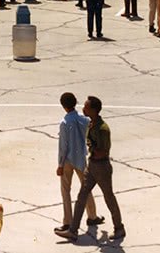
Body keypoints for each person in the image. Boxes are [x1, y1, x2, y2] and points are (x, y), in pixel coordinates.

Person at [55, 96, 125, 240]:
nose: (83, 108)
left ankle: (119, 228)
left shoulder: (102, 128)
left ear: (93, 110)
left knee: (108, 197)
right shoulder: (89, 122)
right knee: (82, 196)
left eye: (86, 107)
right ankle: (73, 230)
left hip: (101, 167)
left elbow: (104, 151)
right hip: (90, 164)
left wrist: (91, 148)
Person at [57, 91, 101, 233]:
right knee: (86, 187)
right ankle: (92, 215)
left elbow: (63, 147)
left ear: (63, 106)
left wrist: (60, 165)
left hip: (68, 160)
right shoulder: (84, 120)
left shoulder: (64, 123)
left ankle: (68, 221)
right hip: (81, 158)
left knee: (65, 190)